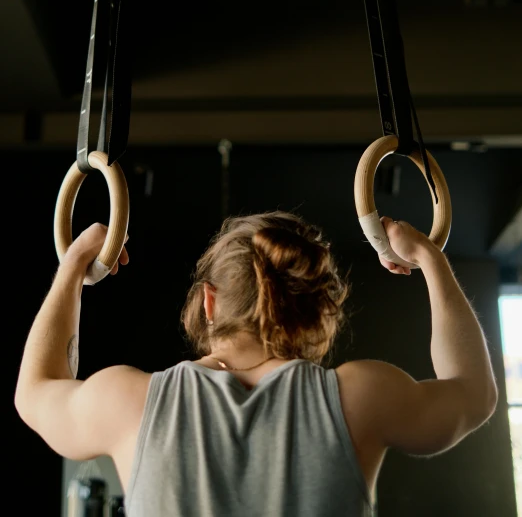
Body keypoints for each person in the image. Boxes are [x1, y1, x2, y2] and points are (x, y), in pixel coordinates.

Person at [15, 212, 497, 517]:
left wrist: (74, 265)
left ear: (209, 302)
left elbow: (34, 390)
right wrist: (430, 258)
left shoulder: (129, 403)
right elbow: (474, 391)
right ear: (314, 310)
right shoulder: (360, 397)